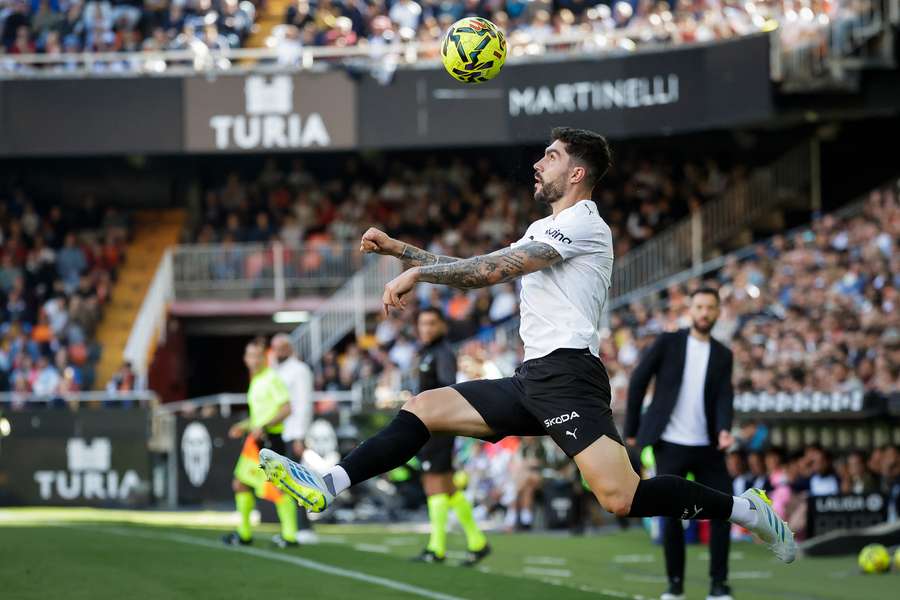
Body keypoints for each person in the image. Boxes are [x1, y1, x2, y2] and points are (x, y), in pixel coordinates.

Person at [258, 127, 796, 571]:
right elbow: (476, 267)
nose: (539, 163)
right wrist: (402, 251)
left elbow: (490, 271)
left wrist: (417, 273)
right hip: (531, 378)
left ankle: (746, 511)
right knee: (422, 407)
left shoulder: (585, 224)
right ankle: (328, 483)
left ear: (577, 173)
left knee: (622, 497)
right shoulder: (544, 226)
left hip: (569, 377)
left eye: (551, 156)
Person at [624, 288, 737, 600]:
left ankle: (718, 585)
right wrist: (632, 428)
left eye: (710, 307)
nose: (704, 313)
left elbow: (725, 396)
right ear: (691, 310)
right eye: (699, 307)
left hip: (709, 446)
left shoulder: (723, 354)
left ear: (718, 312)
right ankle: (675, 585)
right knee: (671, 515)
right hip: (670, 443)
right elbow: (639, 379)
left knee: (725, 510)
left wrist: (724, 429)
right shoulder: (668, 342)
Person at [410, 307, 490, 565]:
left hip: (437, 426)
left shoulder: (442, 353)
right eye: (423, 323)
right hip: (434, 425)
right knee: (447, 486)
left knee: (433, 483)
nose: (426, 328)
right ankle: (477, 542)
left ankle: (437, 548)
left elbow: (447, 389)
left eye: (432, 323)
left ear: (443, 326)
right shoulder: (429, 352)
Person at [222, 338, 298, 549]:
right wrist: (244, 425)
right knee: (241, 483)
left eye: (257, 356)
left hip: (270, 440)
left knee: (277, 487)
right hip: (256, 440)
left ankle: (290, 536)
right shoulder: (256, 380)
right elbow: (260, 415)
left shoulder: (272, 378)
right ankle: (244, 534)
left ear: (264, 358)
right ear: (245, 359)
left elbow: (286, 409)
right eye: (250, 356)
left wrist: (264, 426)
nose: (253, 360)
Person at [271, 333, 317, 544]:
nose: (278, 351)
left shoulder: (299, 370)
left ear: (290, 348)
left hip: (292, 433)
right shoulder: (276, 370)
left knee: (295, 481)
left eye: (282, 347)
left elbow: (303, 404)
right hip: (278, 432)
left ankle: (304, 527)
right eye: (275, 347)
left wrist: (300, 435)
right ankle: (290, 528)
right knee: (283, 482)